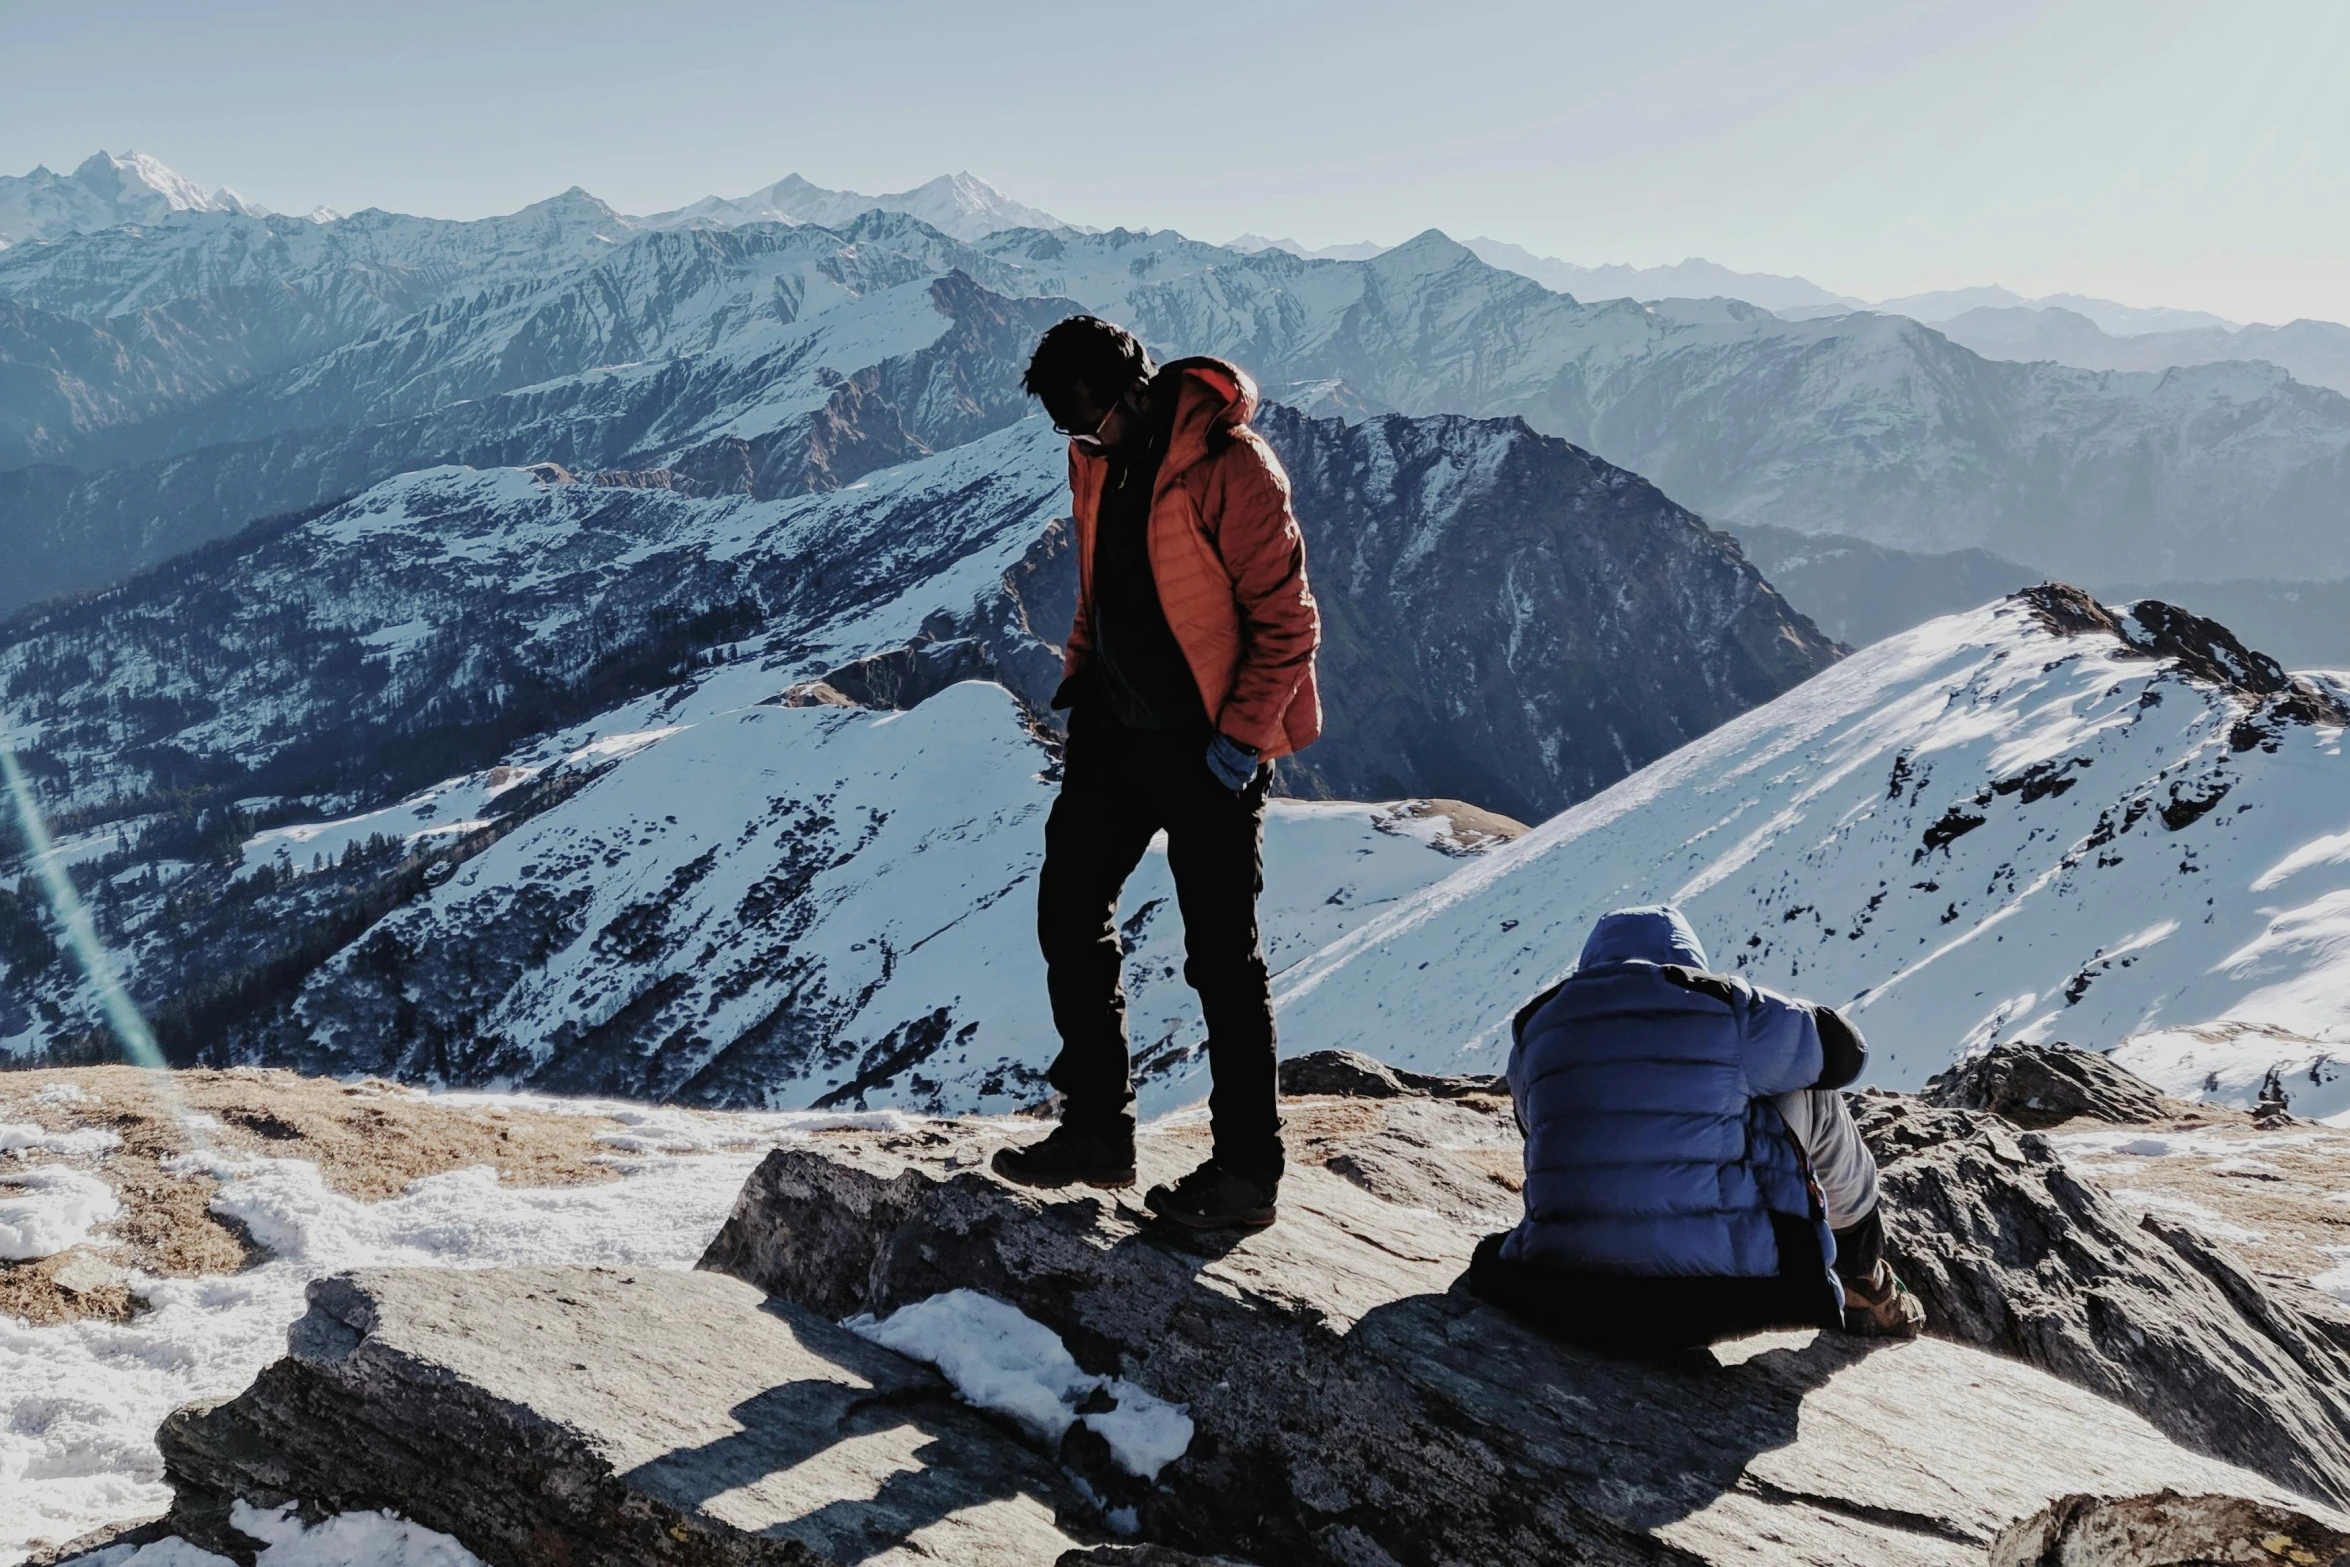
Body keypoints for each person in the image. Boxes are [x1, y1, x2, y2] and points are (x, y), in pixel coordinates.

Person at [992, 316, 1321, 1232]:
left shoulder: (1235, 466)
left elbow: (1289, 623)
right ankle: (1099, 1131)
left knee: (1222, 957)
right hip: (1117, 732)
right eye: (1071, 429)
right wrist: (1081, 673)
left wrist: (1240, 744)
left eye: (1093, 420)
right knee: (1068, 906)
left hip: (1208, 747)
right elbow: (1103, 582)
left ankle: (1246, 1172)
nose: (1083, 440)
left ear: (1135, 390)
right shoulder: (1095, 457)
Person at [1469, 904, 1925, 1350]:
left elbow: (1537, 1130)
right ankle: (1861, 1273)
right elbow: (1847, 1053)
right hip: (1722, 1291)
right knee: (1811, 1088)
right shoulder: (1721, 1004)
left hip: (1561, 1284)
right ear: (1688, 958)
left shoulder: (1535, 1028)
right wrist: (1764, 1011)